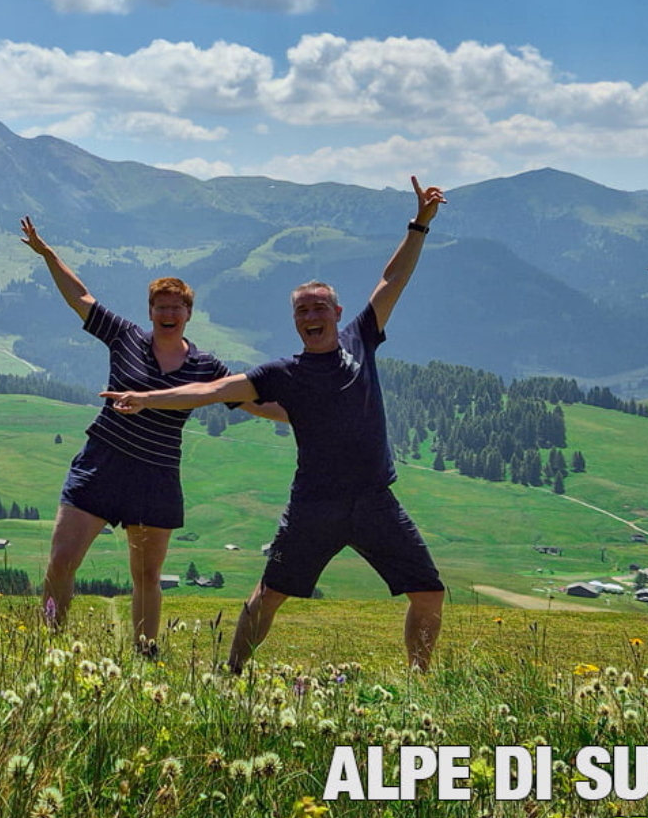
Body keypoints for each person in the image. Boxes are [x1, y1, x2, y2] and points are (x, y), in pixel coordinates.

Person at [100, 177, 448, 672]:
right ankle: (231, 674)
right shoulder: (282, 374)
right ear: (294, 320)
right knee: (269, 596)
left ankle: (420, 684)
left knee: (429, 593)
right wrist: (147, 397)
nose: (312, 315)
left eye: (319, 307)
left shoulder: (361, 339)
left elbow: (392, 281)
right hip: (314, 506)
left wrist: (419, 224)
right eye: (303, 310)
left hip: (375, 500)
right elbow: (212, 391)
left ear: (337, 313)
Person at [20, 216, 286, 657]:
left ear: (188, 314)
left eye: (175, 307)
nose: (167, 314)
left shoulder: (206, 366)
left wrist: (309, 415)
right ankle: (50, 644)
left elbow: (251, 402)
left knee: (146, 577)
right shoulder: (125, 337)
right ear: (150, 312)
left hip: (156, 477)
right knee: (62, 562)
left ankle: (145, 654)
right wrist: (48, 255)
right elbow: (80, 298)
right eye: (160, 307)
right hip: (101, 465)